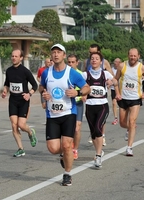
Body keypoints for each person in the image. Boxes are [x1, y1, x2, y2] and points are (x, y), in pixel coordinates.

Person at [40, 44, 90, 186]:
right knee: (53, 148)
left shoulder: (71, 73)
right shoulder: (46, 73)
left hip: (69, 113)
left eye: (58, 52)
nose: (55, 55)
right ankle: (65, 154)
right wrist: (43, 94)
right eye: (53, 52)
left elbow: (87, 88)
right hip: (52, 115)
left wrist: (77, 92)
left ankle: (67, 174)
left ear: (64, 55)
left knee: (67, 145)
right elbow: (41, 86)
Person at [81, 52, 119, 168]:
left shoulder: (105, 73)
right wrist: (82, 92)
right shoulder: (85, 74)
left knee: (98, 129)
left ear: (100, 61)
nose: (94, 60)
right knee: (93, 133)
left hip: (102, 106)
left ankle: (98, 156)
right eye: (92, 58)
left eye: (96, 59)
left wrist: (111, 82)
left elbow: (116, 81)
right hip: (89, 106)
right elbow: (77, 84)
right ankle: (99, 150)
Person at [114, 48, 144, 156]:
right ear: (128, 55)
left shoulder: (142, 68)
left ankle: (129, 147)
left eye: (135, 56)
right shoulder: (122, 66)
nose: (133, 57)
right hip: (123, 98)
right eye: (131, 55)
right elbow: (115, 79)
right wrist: (117, 93)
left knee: (132, 122)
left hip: (135, 98)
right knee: (122, 122)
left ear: (138, 56)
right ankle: (128, 129)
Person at [2, 49, 38, 157]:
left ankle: (30, 132)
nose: (13, 58)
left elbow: (35, 85)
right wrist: (5, 91)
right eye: (12, 56)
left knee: (21, 125)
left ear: (21, 58)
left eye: (16, 56)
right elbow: (7, 84)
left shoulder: (25, 71)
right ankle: (20, 148)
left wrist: (29, 94)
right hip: (13, 100)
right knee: (14, 126)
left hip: (23, 101)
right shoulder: (8, 71)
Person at [85, 44, 113, 146]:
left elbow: (112, 77)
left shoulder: (104, 62)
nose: (92, 55)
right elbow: (85, 75)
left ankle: (102, 134)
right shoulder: (87, 62)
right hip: (90, 98)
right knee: (94, 126)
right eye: (90, 53)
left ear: (99, 52)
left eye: (94, 52)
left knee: (100, 122)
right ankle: (97, 134)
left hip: (102, 96)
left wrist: (110, 81)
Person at [66, 54, 84, 160]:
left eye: (73, 62)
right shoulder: (63, 73)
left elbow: (86, 88)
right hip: (66, 104)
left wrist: (83, 95)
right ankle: (67, 147)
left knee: (77, 128)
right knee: (66, 128)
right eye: (69, 62)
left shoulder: (81, 74)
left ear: (77, 63)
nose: (71, 64)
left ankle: (75, 150)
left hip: (78, 103)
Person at [111, 58, 122, 125]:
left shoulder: (121, 69)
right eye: (115, 61)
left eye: (117, 62)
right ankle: (115, 118)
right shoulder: (111, 70)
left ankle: (123, 118)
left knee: (121, 105)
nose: (116, 63)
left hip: (121, 89)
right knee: (114, 103)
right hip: (113, 89)